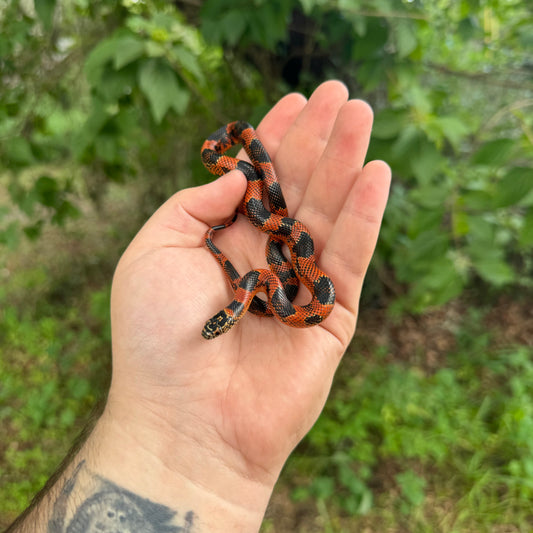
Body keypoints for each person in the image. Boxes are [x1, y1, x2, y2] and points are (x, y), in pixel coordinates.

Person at [6, 80, 391, 533]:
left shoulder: (281, 288)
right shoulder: (269, 282)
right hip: (268, 258)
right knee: (253, 188)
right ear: (235, 312)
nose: (220, 323)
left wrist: (257, 242)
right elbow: (266, 262)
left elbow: (272, 271)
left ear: (234, 309)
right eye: (220, 323)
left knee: (264, 211)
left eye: (220, 322)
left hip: (272, 264)